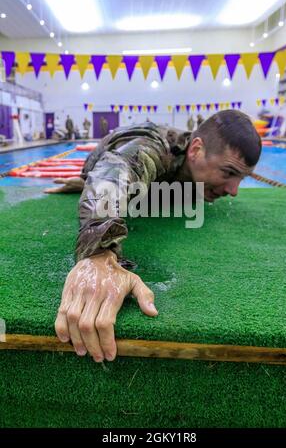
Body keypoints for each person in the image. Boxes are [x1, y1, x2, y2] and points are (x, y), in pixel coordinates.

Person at [44, 110, 261, 363]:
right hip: (114, 159)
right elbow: (114, 171)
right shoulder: (155, 147)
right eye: (228, 173)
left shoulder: (198, 173)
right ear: (196, 150)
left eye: (241, 178)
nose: (234, 191)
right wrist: (99, 254)